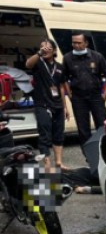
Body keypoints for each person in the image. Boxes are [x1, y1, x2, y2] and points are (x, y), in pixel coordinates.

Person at [62, 30, 106, 146]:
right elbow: (64, 78)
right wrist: (69, 95)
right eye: (74, 43)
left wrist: (104, 94)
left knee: (102, 126)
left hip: (96, 96)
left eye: (79, 43)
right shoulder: (68, 58)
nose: (76, 45)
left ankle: (104, 153)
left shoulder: (97, 56)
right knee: (83, 130)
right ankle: (90, 158)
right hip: (78, 98)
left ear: (86, 43)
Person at [24, 38, 69, 168]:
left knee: (59, 134)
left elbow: (61, 87)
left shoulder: (59, 67)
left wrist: (65, 107)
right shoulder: (38, 62)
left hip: (58, 105)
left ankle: (59, 162)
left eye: (48, 47)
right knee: (44, 134)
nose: (45, 49)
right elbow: (28, 64)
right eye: (42, 47)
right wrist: (39, 53)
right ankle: (47, 164)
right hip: (42, 104)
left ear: (54, 50)